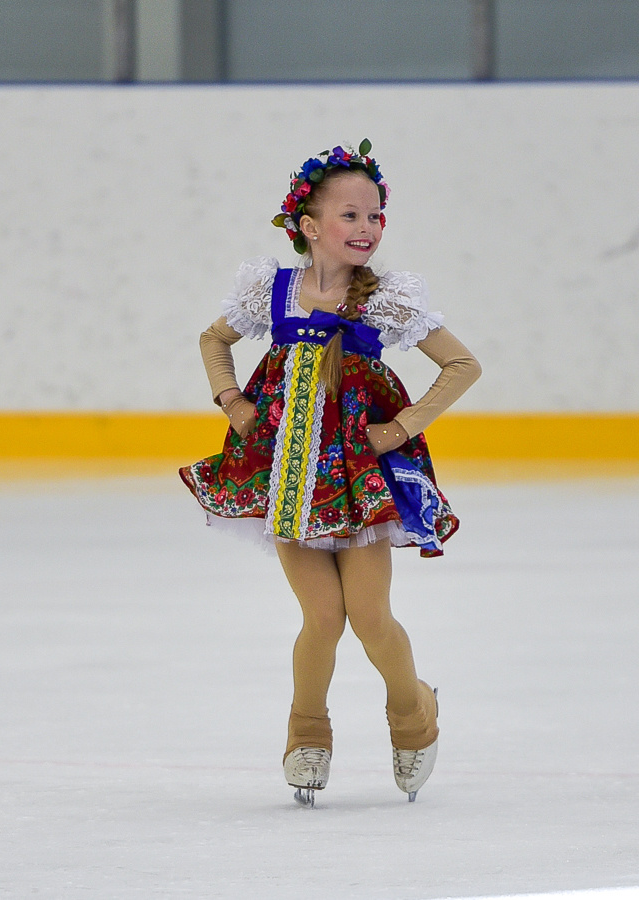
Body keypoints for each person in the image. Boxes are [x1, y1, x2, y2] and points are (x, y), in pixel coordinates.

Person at [180, 140, 481, 806]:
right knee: (321, 618)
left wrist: (398, 429)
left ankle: (413, 714)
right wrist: (230, 399)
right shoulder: (273, 290)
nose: (367, 229)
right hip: (289, 479)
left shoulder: (386, 300)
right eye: (351, 216)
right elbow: (214, 340)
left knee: (370, 617)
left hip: (359, 481)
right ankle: (306, 733)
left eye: (376, 216)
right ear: (308, 226)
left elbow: (462, 366)